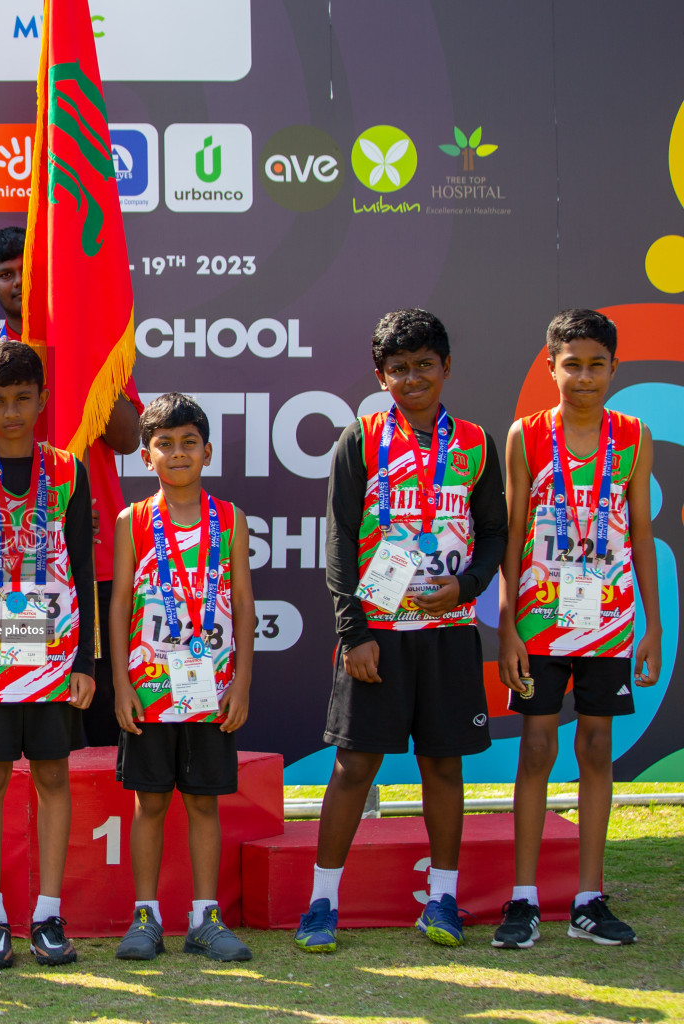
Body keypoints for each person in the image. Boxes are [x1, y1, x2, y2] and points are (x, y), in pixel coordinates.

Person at [299, 309, 507, 953]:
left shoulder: (474, 440)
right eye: (398, 369)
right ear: (381, 376)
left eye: (423, 365)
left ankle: (443, 899)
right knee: (354, 764)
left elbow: (496, 531)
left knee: (443, 765)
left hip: (447, 627)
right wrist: (353, 631)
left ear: (446, 367)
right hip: (378, 632)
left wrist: (467, 586)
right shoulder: (358, 438)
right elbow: (337, 541)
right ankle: (321, 903)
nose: (411, 378)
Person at [494, 309, 662, 949]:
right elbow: (512, 534)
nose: (584, 377)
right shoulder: (526, 435)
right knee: (536, 749)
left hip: (611, 624)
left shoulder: (634, 434)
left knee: (596, 749)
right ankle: (524, 897)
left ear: (615, 368)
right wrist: (508, 627)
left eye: (596, 366)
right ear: (550, 366)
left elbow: (642, 532)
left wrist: (650, 624)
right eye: (572, 365)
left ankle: (590, 895)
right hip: (539, 624)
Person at [0, 226, 141, 746]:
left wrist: (82, 361)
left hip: (92, 563)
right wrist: (47, 520)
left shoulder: (96, 355)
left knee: (96, 723)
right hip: (7, 574)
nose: (18, 284)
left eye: (29, 272)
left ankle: (96, 831)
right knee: (16, 735)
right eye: (6, 275)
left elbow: (128, 436)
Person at [0, 340, 96, 969]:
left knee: (54, 778)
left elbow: (83, 568)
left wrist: (86, 664)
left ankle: (50, 914)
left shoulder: (70, 471)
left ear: (42, 401)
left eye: (22, 399)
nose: (10, 412)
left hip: (56, 659)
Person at [109, 393, 254, 963]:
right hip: (148, 689)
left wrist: (241, 683)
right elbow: (119, 604)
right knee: (149, 803)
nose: (177, 453)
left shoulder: (230, 518)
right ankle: (146, 915)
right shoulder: (133, 520)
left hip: (213, 689)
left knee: (203, 804)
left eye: (188, 443)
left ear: (208, 451)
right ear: (146, 456)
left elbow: (242, 601)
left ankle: (205, 917)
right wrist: (120, 683)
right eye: (164, 444)